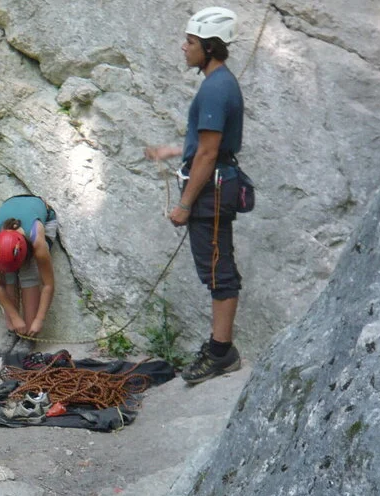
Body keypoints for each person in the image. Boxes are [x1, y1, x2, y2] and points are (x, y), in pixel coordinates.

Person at [144, 7, 244, 384]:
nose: (183, 47)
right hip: (214, 186)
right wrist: (174, 151)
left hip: (210, 193)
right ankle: (220, 349)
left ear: (209, 46)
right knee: (215, 268)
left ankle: (221, 352)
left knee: (219, 271)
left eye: (190, 41)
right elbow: (204, 145)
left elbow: (209, 152)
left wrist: (184, 204)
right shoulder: (217, 83)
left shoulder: (217, 87)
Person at [0, 195, 58, 358]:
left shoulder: (37, 240)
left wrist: (39, 320)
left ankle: (29, 336)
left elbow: (48, 285)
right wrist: (15, 318)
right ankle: (13, 330)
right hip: (12, 205)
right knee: (8, 276)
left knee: (28, 273)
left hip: (41, 217)